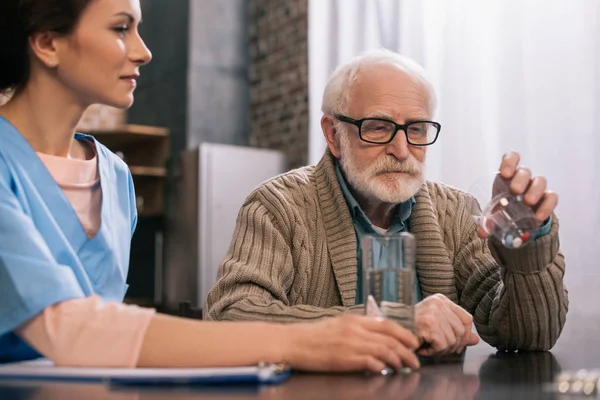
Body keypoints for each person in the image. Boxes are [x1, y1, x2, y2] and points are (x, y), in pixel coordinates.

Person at [0, 0, 421, 373]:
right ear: (48, 43)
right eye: (120, 27)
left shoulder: (115, 177)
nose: (143, 50)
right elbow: (71, 328)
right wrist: (309, 340)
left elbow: (105, 330)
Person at [205, 48, 568, 356]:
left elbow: (529, 336)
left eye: (416, 129)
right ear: (334, 135)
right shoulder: (277, 206)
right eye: (378, 127)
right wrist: (393, 323)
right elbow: (229, 318)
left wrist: (528, 244)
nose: (401, 150)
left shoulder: (456, 212)